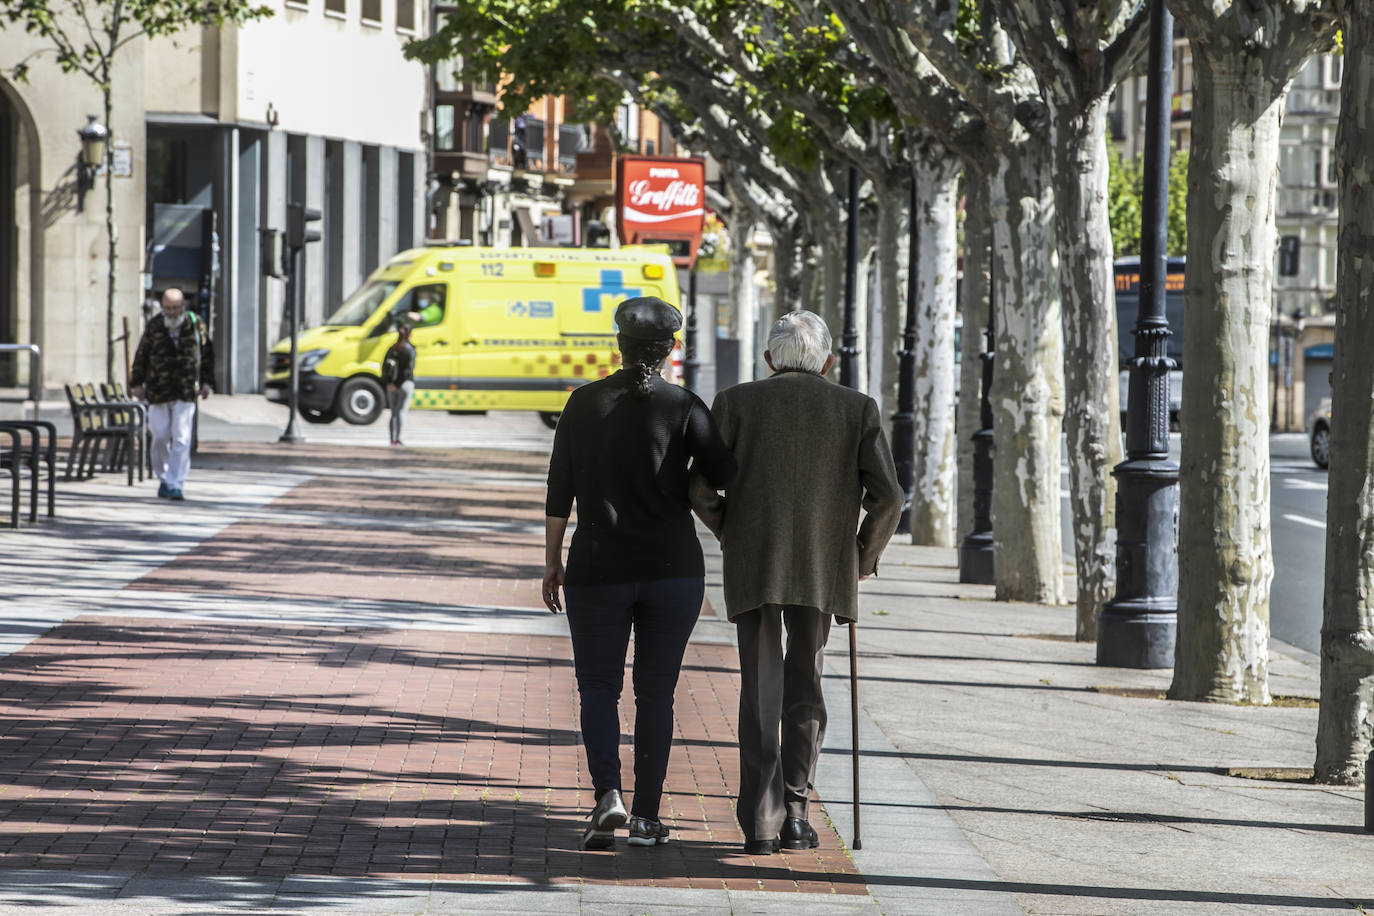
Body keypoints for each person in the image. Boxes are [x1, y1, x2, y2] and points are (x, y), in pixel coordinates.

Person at [690, 310, 902, 856]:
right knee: (805, 683)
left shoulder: (736, 402)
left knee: (760, 690)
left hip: (754, 561)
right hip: (822, 565)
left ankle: (762, 822)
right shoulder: (856, 409)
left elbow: (698, 486)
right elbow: (890, 497)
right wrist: (861, 555)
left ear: (768, 360)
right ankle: (798, 813)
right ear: (828, 362)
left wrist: (728, 529)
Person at [543, 296, 735, 851]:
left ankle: (608, 796)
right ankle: (648, 817)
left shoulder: (583, 403)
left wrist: (553, 562)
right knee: (658, 692)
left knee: (598, 687)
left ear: (619, 346)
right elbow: (723, 472)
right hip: (673, 570)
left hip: (597, 567)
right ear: (671, 349)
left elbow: (560, 489)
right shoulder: (685, 406)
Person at [129, 287, 214, 501]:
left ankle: (176, 483)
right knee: (160, 436)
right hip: (159, 390)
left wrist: (207, 383)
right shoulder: (155, 325)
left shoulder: (195, 325)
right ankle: (164, 477)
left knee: (182, 438)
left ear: (183, 307)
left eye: (175, 308)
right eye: (168, 308)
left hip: (185, 391)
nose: (172, 312)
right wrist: (136, 383)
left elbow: (207, 355)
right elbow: (142, 355)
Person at [381, 323, 416, 446]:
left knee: (393, 413)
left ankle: (392, 439)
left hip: (390, 386)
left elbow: (384, 367)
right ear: (410, 335)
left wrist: (389, 383)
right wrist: (399, 383)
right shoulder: (410, 350)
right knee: (401, 412)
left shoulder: (392, 348)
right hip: (405, 385)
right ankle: (398, 438)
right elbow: (408, 370)